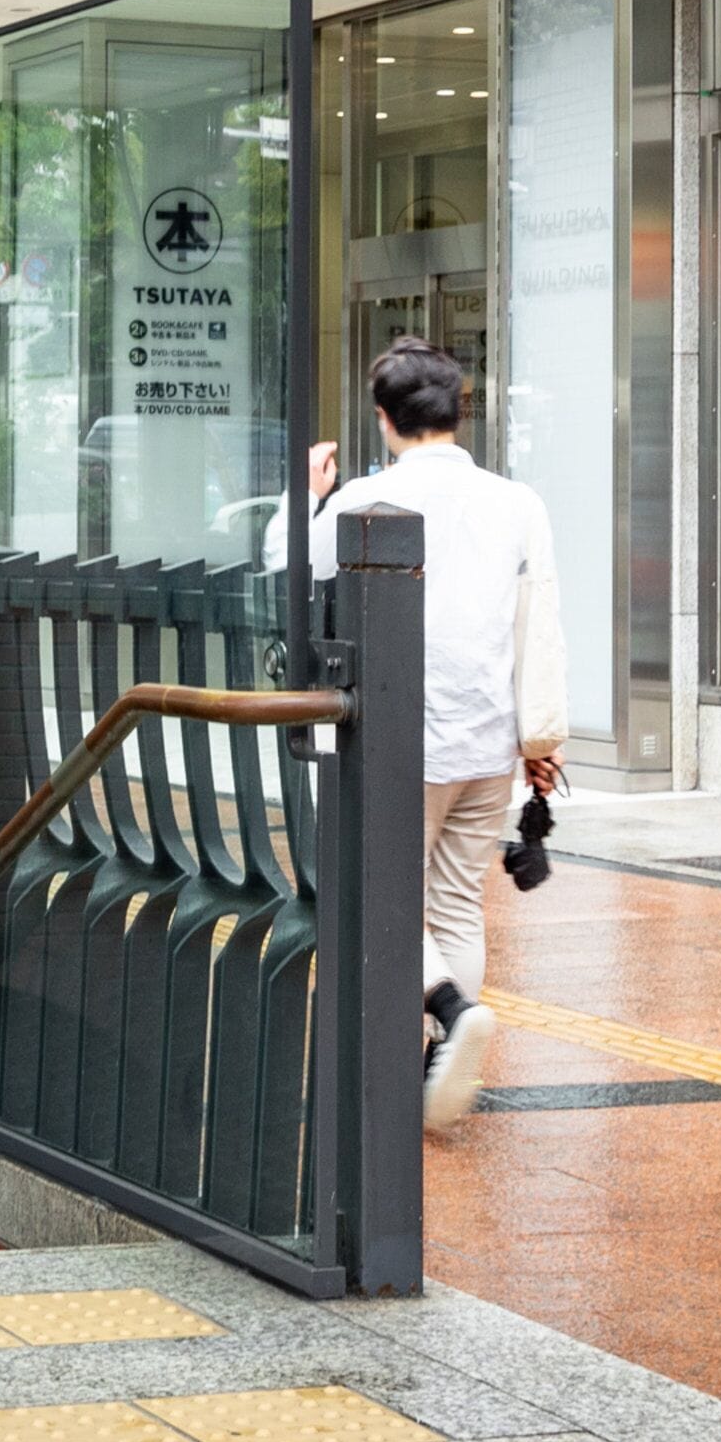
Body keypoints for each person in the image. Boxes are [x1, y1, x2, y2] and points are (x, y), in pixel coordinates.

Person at [305, 340, 567, 1131]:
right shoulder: (518, 502)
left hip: (398, 737)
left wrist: (311, 498)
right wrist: (541, 738)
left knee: (378, 894)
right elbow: (541, 625)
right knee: (455, 903)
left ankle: (449, 1014)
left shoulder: (363, 499)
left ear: (384, 420)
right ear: (461, 411)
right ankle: (442, 1056)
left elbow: (297, 570)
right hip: (490, 741)